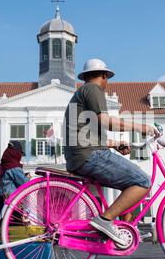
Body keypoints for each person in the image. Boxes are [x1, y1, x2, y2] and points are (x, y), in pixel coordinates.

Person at [63, 58, 159, 246]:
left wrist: (114, 145)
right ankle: (104, 220)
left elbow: (86, 134)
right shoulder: (93, 89)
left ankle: (125, 227)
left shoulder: (81, 93)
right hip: (90, 155)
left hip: (81, 155)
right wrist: (140, 127)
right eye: (107, 79)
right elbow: (106, 121)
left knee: (129, 184)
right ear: (104, 76)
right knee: (143, 181)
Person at [0, 141, 29, 227]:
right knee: (15, 231)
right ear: (15, 153)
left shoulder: (0, 166)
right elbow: (25, 183)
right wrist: (28, 178)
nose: (20, 156)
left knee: (1, 229)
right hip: (11, 202)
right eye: (19, 153)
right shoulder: (13, 166)